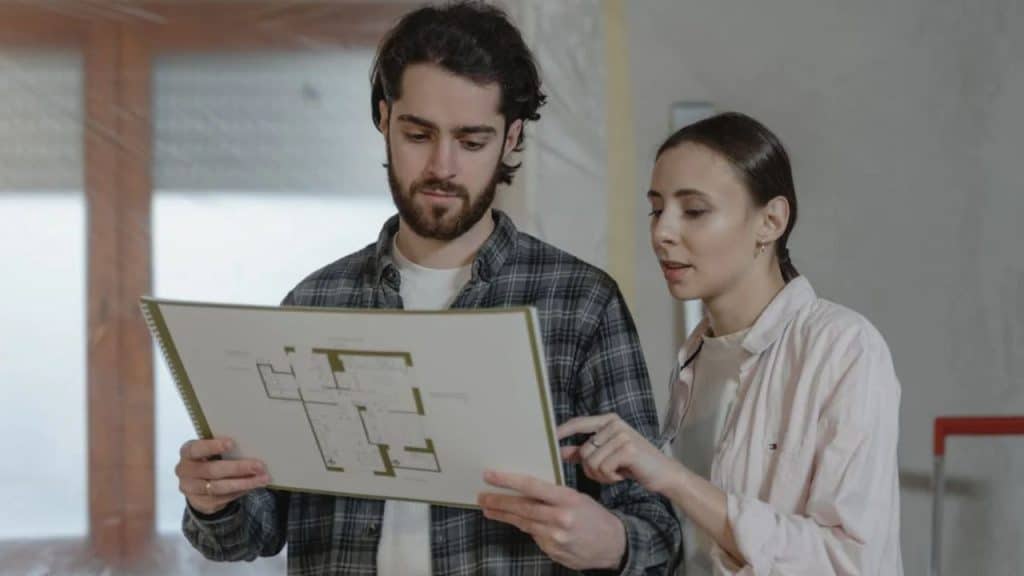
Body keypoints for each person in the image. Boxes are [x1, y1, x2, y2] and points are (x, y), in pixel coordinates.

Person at [173, 2, 679, 574]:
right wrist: (211, 500)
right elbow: (251, 533)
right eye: (419, 134)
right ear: (385, 120)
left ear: (511, 138)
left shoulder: (581, 303)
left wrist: (610, 541)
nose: (442, 167)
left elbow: (659, 528)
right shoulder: (316, 302)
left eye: (471, 141)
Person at [549, 113, 903, 575]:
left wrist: (672, 478)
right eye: (657, 209)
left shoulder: (844, 348)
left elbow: (850, 563)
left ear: (771, 221)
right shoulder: (696, 359)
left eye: (693, 210)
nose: (661, 233)